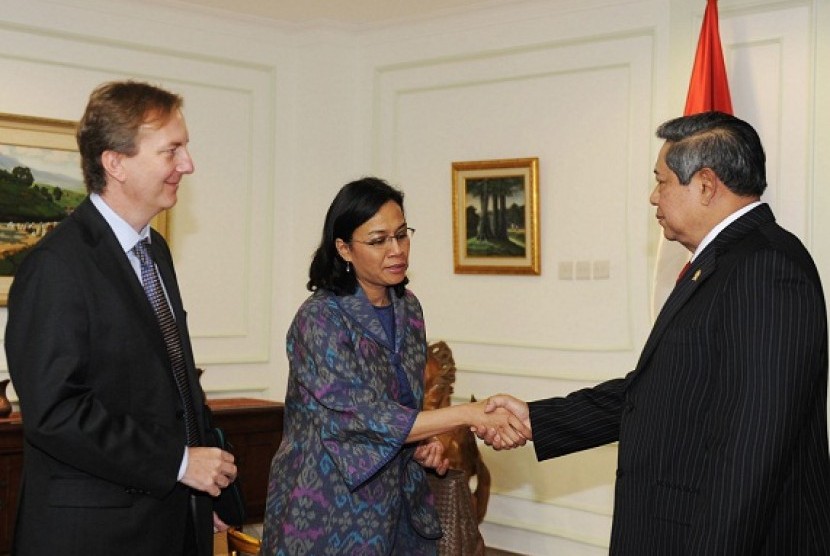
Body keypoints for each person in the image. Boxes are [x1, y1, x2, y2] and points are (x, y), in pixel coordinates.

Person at [480, 112, 830, 555]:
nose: (652, 197)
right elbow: (659, 391)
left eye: (662, 181)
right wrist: (536, 418)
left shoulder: (765, 267)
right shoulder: (722, 261)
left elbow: (753, 448)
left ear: (705, 185)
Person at [5, 80, 238, 556]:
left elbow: (173, 383)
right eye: (172, 150)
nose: (187, 165)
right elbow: (55, 412)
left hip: (169, 522)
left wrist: (200, 495)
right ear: (115, 162)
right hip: (94, 537)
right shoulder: (55, 266)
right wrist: (177, 463)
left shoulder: (156, 252)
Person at [261, 177, 528, 555]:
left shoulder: (409, 308)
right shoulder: (320, 318)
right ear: (344, 248)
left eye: (402, 235)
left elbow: (404, 407)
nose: (396, 250)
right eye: (378, 240)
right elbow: (368, 417)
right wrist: (468, 414)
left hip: (400, 505)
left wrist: (424, 442)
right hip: (327, 509)